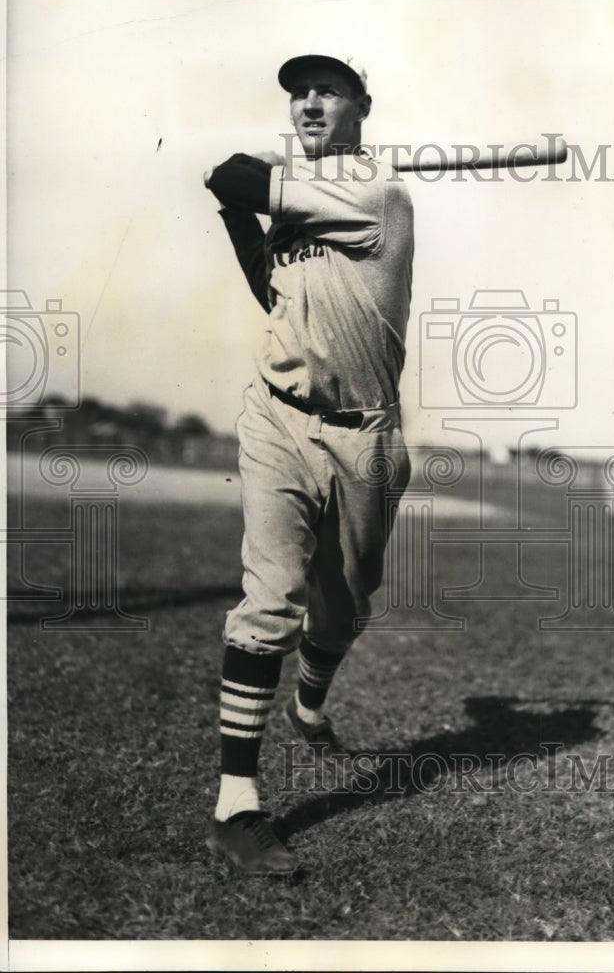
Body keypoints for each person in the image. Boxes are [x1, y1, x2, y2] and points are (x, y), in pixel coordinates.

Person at [204, 54, 414, 873]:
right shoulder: (302, 204)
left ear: (364, 105)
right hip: (277, 418)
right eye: (298, 93)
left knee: (344, 609)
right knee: (271, 600)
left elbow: (234, 172)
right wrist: (236, 216)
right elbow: (271, 288)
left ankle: (311, 703)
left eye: (327, 90)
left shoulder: (377, 197)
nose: (308, 103)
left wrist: (233, 185)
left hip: (366, 434)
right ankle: (236, 806)